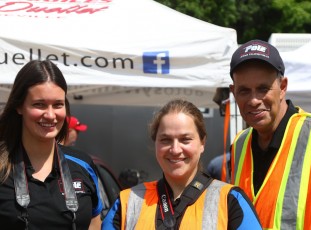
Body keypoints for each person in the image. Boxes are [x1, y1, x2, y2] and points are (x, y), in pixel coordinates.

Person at [229, 39, 311, 229]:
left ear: (282, 87)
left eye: (263, 89)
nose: (254, 100)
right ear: (233, 92)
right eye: (244, 91)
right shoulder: (239, 145)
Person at [102, 99, 262, 229]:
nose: (175, 149)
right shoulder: (127, 202)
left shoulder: (230, 200)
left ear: (202, 143)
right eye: (166, 140)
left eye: (185, 139)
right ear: (155, 143)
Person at [0, 60, 102, 229]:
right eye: (39, 104)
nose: (50, 115)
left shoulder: (83, 164)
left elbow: (94, 222)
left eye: (57, 105)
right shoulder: (3, 166)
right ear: (19, 106)